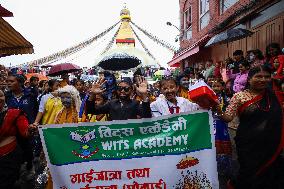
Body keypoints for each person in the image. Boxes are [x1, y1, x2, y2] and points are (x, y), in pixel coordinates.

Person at [215, 65, 284, 189]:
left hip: (272, 144)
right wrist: (218, 111)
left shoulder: (275, 95)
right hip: (248, 144)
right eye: (258, 76)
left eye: (267, 77)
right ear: (249, 79)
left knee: (272, 174)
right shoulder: (239, 96)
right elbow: (228, 118)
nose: (263, 80)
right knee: (248, 174)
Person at [0, 89, 36, 189]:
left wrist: (30, 130)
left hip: (8, 160)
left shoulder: (14, 114)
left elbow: (25, 132)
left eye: (1, 96)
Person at [86, 76, 152, 120]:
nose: (122, 91)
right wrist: (93, 94)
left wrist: (144, 95)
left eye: (126, 88)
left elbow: (147, 116)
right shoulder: (111, 103)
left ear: (131, 90)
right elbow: (91, 111)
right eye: (120, 88)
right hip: (115, 139)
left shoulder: (136, 103)